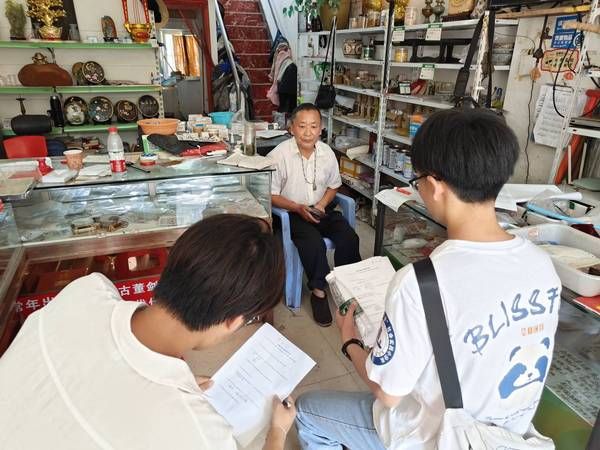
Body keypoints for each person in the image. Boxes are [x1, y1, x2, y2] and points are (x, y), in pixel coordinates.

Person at [294, 109, 561, 449]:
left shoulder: (419, 282)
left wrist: (349, 340)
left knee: (307, 410)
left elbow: (388, 394)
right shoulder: (542, 265)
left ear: (434, 187)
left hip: (434, 437)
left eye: (416, 180)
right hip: (506, 436)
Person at [0, 214, 296, 450]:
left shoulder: (85, 291)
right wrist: (278, 431)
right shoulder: (200, 434)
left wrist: (171, 384)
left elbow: (95, 377)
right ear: (232, 321)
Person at [268, 103, 361, 327]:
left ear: (321, 129)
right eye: (302, 126)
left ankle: (348, 287)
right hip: (291, 213)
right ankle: (319, 292)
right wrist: (297, 208)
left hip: (320, 208)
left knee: (349, 236)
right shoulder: (279, 155)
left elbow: (334, 185)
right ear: (292, 128)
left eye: (313, 126)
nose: (308, 132)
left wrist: (321, 204)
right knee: (313, 243)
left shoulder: (327, 153)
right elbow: (270, 195)